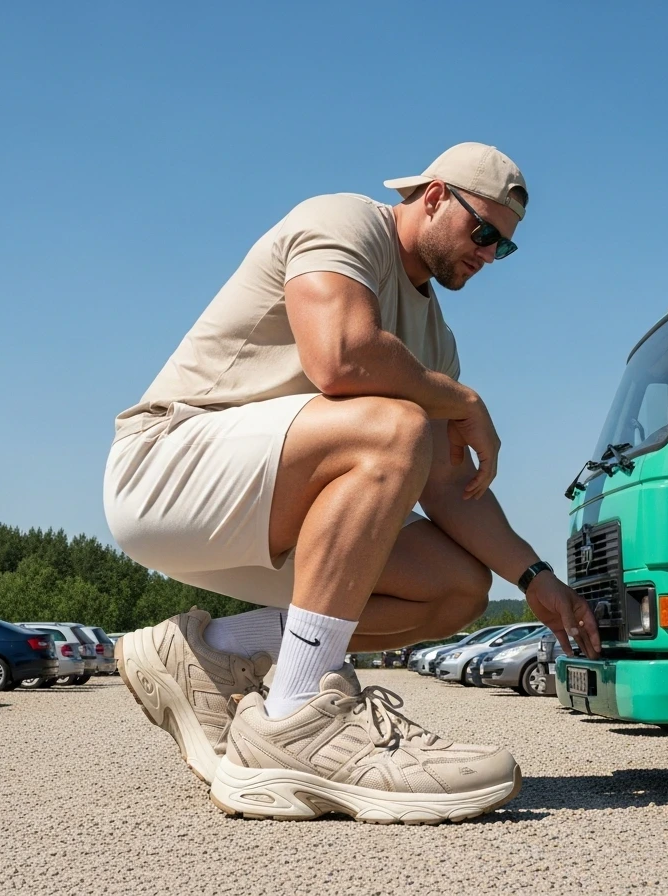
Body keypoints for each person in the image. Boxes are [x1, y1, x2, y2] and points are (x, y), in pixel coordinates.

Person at [105, 142, 602, 824]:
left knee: (456, 588)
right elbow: (340, 358)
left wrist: (536, 576)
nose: (487, 255)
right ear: (433, 197)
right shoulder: (343, 221)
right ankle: (297, 718)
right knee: (393, 425)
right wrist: (462, 402)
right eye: (482, 232)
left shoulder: (434, 341)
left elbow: (448, 485)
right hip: (166, 469)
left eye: (503, 248)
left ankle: (216, 651)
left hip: (265, 511)